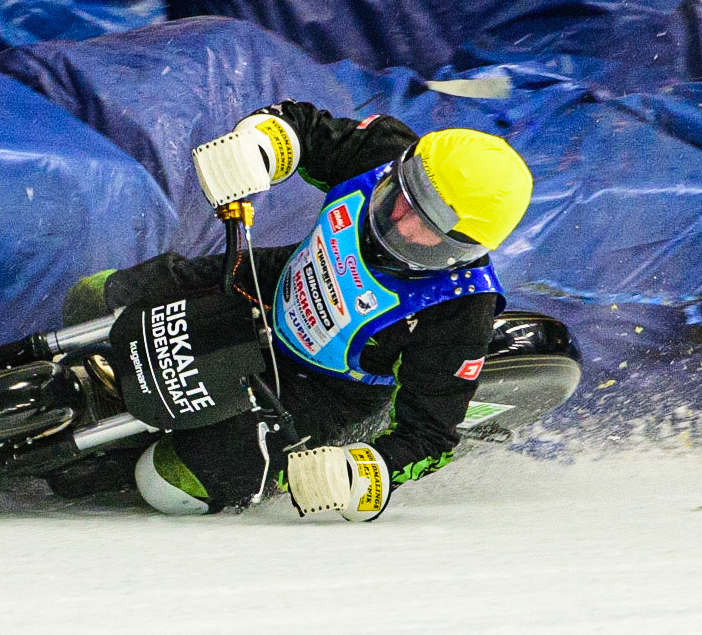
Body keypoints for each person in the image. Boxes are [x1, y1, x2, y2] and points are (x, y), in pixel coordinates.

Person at [55, 101, 534, 522]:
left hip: (319, 392)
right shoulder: (379, 149)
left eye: (429, 229)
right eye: (402, 200)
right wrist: (257, 146)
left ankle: (98, 459)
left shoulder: (462, 311)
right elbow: (302, 127)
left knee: (169, 483)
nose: (402, 224)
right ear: (401, 169)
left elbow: (430, 435)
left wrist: (364, 474)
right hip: (263, 284)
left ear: (464, 250)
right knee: (94, 297)